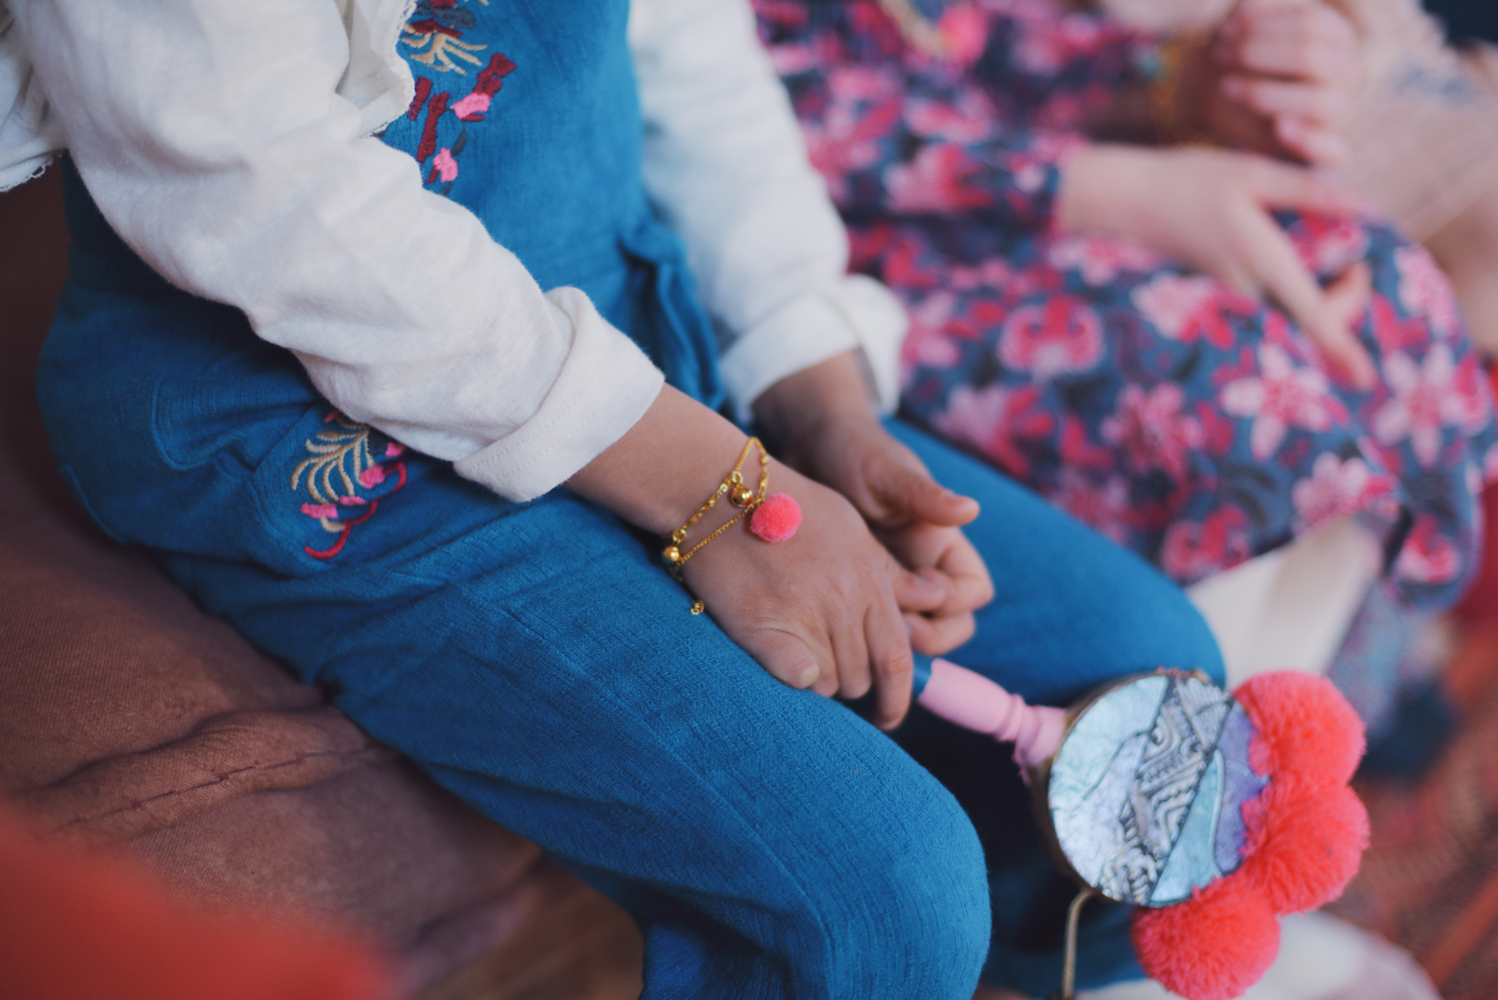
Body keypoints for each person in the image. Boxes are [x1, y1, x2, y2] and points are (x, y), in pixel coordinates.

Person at [0, 0, 1224, 997]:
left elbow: (690, 46)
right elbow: (259, 192)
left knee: (1146, 670)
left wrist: (821, 404)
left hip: (604, 319)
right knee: (883, 893)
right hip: (294, 407)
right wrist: (722, 493)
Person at [753, 0, 1498, 719]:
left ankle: (1280, 741)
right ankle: (1179, 762)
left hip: (1011, 161)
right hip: (864, 235)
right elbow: (751, 108)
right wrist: (1114, 187)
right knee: (1237, 392)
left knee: (1388, 301)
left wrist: (1185, 85)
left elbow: (992, 39)